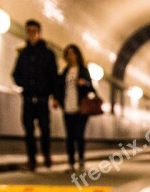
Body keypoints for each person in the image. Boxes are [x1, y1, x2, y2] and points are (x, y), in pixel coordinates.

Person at [11, 19, 59, 172]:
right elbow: (15, 74)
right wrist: (23, 84)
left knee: (45, 128)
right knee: (28, 130)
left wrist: (54, 95)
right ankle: (32, 160)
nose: (31, 34)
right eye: (29, 31)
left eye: (34, 31)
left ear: (39, 33)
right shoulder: (23, 53)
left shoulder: (48, 54)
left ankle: (46, 155)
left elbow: (54, 76)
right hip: (27, 97)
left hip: (43, 98)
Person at [53, 44, 94, 172]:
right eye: (68, 54)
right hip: (67, 108)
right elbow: (59, 88)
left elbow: (91, 88)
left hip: (81, 109)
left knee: (79, 135)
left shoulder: (83, 71)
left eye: (73, 53)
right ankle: (71, 163)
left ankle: (81, 161)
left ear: (77, 55)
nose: (71, 56)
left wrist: (84, 83)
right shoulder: (64, 72)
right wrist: (57, 100)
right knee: (70, 136)